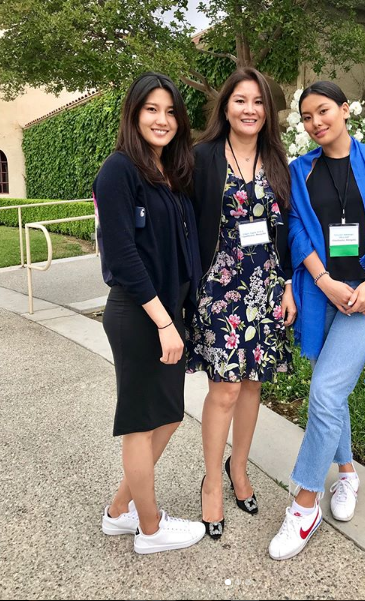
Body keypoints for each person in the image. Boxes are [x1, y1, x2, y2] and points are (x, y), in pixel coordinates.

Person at [269, 81, 365, 560]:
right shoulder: (301, 169)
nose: (316, 123)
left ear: (345, 109)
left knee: (326, 391)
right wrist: (323, 279)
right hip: (323, 296)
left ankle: (304, 504)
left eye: (323, 111)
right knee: (330, 393)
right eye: (307, 117)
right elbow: (295, 228)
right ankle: (348, 475)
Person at [93, 72, 205, 554]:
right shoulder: (119, 170)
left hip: (167, 313)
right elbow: (122, 256)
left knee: (169, 415)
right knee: (140, 422)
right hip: (140, 315)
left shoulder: (170, 173)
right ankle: (151, 529)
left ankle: (120, 510)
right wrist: (163, 322)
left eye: (170, 111)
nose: (162, 120)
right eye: (151, 109)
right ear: (134, 114)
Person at [186, 67, 296, 538]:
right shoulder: (202, 157)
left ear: (267, 110)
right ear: (226, 107)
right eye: (240, 100)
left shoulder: (278, 160)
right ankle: (212, 482)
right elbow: (184, 222)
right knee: (225, 389)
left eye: (258, 101)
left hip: (266, 286)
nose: (250, 109)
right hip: (219, 287)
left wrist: (288, 284)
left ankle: (239, 467)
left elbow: (287, 230)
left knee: (252, 386)